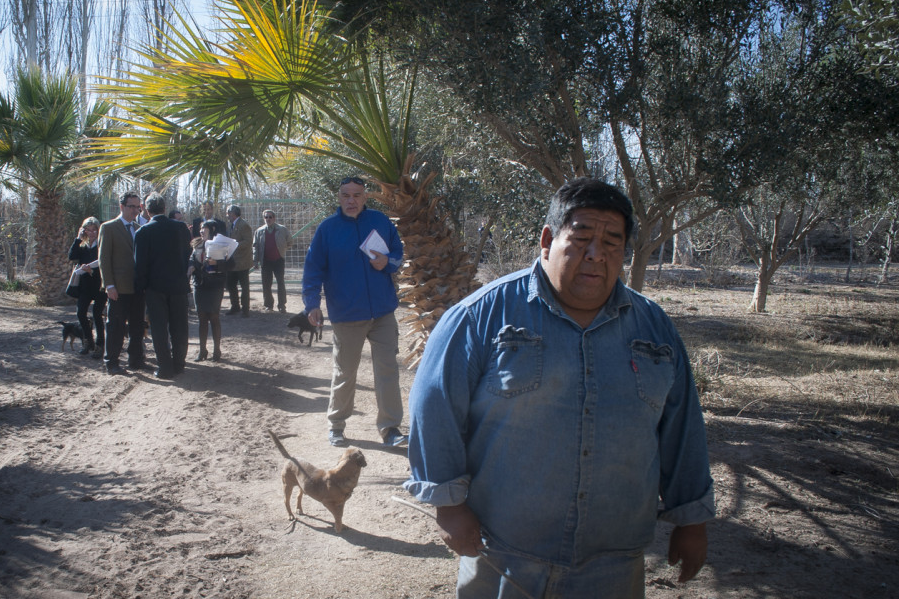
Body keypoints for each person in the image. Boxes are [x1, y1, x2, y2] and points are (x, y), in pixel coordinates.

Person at [404, 177, 715, 598]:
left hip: (614, 560)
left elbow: (682, 427)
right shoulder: (480, 316)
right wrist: (449, 505)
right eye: (582, 236)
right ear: (548, 239)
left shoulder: (654, 327)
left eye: (611, 242)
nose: (595, 254)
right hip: (506, 551)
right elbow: (434, 406)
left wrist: (691, 521)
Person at [302, 176, 407, 448]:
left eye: (357, 195)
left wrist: (387, 262)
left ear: (365, 197)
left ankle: (390, 428)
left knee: (387, 370)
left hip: (383, 312)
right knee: (345, 372)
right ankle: (336, 425)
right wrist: (312, 303)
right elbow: (313, 270)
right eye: (346, 195)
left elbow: (398, 253)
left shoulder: (380, 222)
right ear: (339, 197)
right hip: (347, 315)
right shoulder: (327, 229)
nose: (351, 200)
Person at [134, 194, 192, 379]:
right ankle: (179, 364)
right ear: (165, 209)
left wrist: (141, 287)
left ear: (147, 210)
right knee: (180, 326)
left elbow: (140, 265)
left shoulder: (143, 232)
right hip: (178, 285)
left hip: (155, 287)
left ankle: (165, 368)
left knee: (159, 329)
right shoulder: (180, 227)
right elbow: (187, 252)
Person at [98, 191, 147, 375]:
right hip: (118, 288)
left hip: (137, 287)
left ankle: (135, 360)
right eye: (131, 206)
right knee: (116, 326)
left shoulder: (139, 227)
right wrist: (109, 285)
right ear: (122, 207)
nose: (135, 210)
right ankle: (111, 362)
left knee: (136, 326)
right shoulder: (109, 228)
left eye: (137, 206)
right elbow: (104, 259)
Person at [189, 220, 234, 362]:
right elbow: (191, 259)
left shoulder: (221, 244)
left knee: (214, 317)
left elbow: (231, 264)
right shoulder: (197, 244)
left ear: (212, 230)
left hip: (215, 285)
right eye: (201, 228)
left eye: (205, 228)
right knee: (202, 318)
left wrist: (217, 263)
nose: (202, 231)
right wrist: (192, 266)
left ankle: (217, 350)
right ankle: (202, 351)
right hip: (200, 285)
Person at [68, 217, 107, 357]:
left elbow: (105, 262)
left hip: (99, 285)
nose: (91, 233)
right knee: (80, 312)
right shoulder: (83, 244)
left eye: (94, 230)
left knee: (97, 314)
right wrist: (78, 239)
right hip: (85, 285)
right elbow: (72, 256)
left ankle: (100, 345)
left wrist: (92, 270)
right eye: (88, 230)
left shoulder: (101, 244)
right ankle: (87, 341)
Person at [252, 208, 291, 312]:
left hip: (278, 260)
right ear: (264, 218)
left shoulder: (282, 229)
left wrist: (282, 248)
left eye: (270, 217)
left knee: (281, 283)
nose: (268, 219)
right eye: (266, 217)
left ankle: (282, 305)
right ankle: (268, 305)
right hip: (265, 261)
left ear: (274, 218)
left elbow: (290, 241)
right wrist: (255, 261)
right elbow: (255, 247)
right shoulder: (259, 231)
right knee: (266, 284)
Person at [224, 204, 253, 317]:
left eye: (228, 213)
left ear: (233, 213)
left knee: (244, 287)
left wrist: (235, 245)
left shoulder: (244, 225)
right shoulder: (230, 225)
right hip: (232, 262)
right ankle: (235, 306)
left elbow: (248, 241)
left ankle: (245, 310)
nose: (227, 215)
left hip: (242, 262)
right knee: (230, 285)